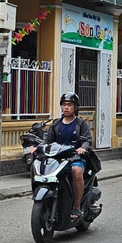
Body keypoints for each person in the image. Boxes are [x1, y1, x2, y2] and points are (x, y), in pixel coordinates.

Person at [29, 93, 96, 221]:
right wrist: (38, 148)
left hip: (75, 157)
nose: (66, 108)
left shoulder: (81, 124)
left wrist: (83, 148)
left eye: (69, 105)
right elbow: (46, 140)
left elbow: (87, 140)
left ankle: (76, 206)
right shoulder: (56, 124)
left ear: (75, 107)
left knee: (76, 171)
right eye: (64, 105)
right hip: (59, 158)